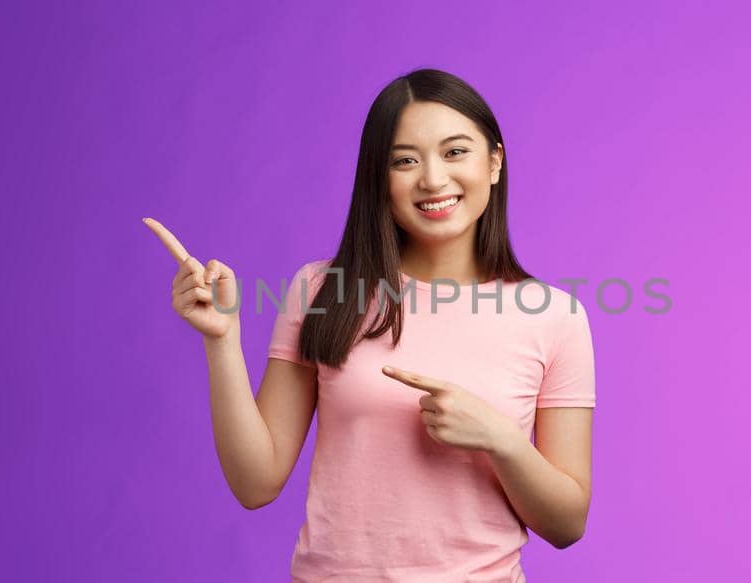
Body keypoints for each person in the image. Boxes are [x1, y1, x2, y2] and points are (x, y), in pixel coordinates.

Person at [143, 68, 594, 582]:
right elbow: (255, 483)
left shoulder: (556, 316)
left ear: (494, 161)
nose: (432, 179)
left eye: (455, 152)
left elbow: (566, 524)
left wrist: (502, 441)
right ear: (379, 179)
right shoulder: (321, 291)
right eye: (405, 160)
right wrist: (222, 341)